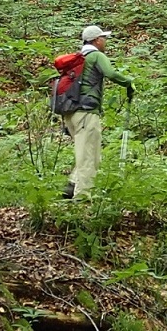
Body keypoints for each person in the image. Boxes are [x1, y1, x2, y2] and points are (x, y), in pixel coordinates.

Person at [61, 25, 133, 200]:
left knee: (87, 153)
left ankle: (71, 186)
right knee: (89, 156)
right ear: (96, 40)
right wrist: (128, 83)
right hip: (86, 112)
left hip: (70, 113)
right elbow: (110, 73)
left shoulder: (79, 59)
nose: (105, 42)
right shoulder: (96, 56)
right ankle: (82, 198)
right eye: (103, 38)